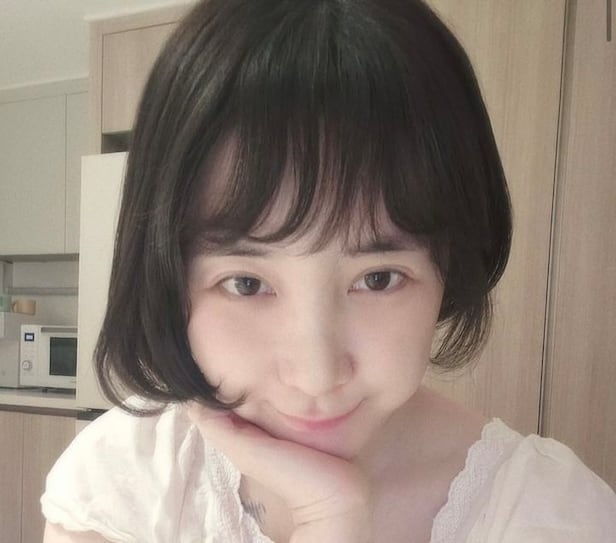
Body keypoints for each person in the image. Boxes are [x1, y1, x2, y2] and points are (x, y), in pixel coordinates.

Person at [42, 0, 616, 541]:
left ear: (450, 268)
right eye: (246, 283)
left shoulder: (551, 515)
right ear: (170, 280)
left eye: (378, 278)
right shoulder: (123, 484)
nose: (316, 376)